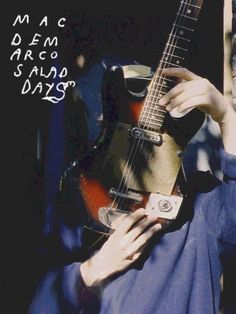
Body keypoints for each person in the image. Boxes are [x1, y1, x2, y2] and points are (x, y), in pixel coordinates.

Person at [29, 67, 236, 314]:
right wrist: (96, 268)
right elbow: (41, 305)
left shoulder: (202, 204)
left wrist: (227, 118)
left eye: (158, 124)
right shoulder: (78, 198)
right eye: (128, 123)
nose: (143, 137)